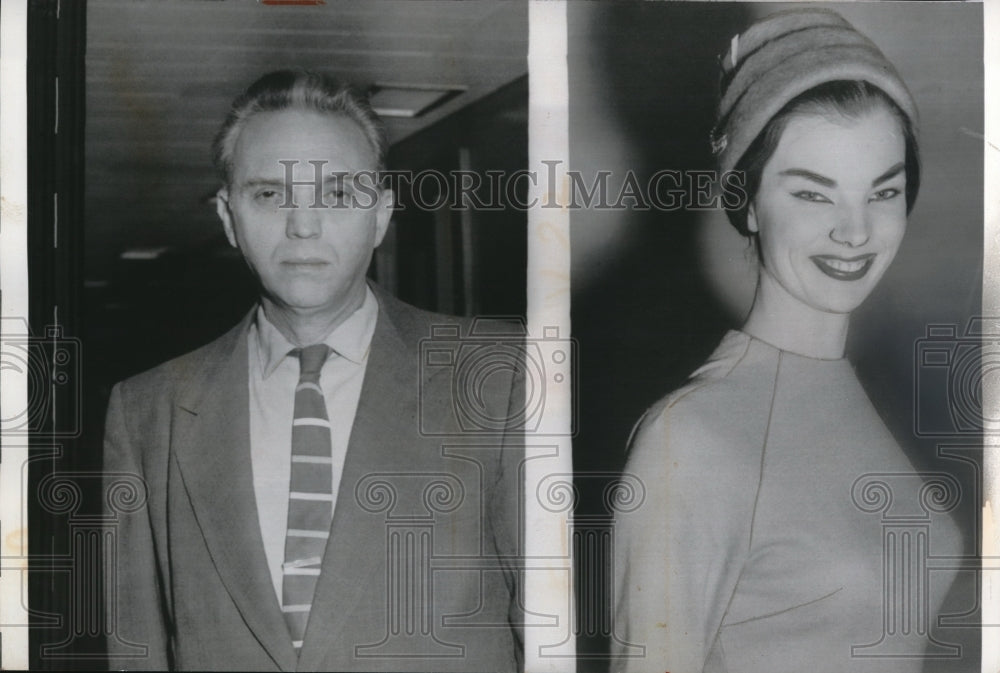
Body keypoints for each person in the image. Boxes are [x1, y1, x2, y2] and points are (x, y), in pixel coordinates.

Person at [103, 70, 522, 672]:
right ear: (228, 218)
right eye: (271, 194)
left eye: (338, 193)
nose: (304, 225)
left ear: (380, 215)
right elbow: (135, 652)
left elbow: (550, 634)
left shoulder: (501, 377)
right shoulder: (148, 412)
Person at [612, 10, 969, 672]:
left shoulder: (865, 395)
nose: (855, 232)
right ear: (746, 201)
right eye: (814, 194)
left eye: (882, 191)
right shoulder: (690, 438)